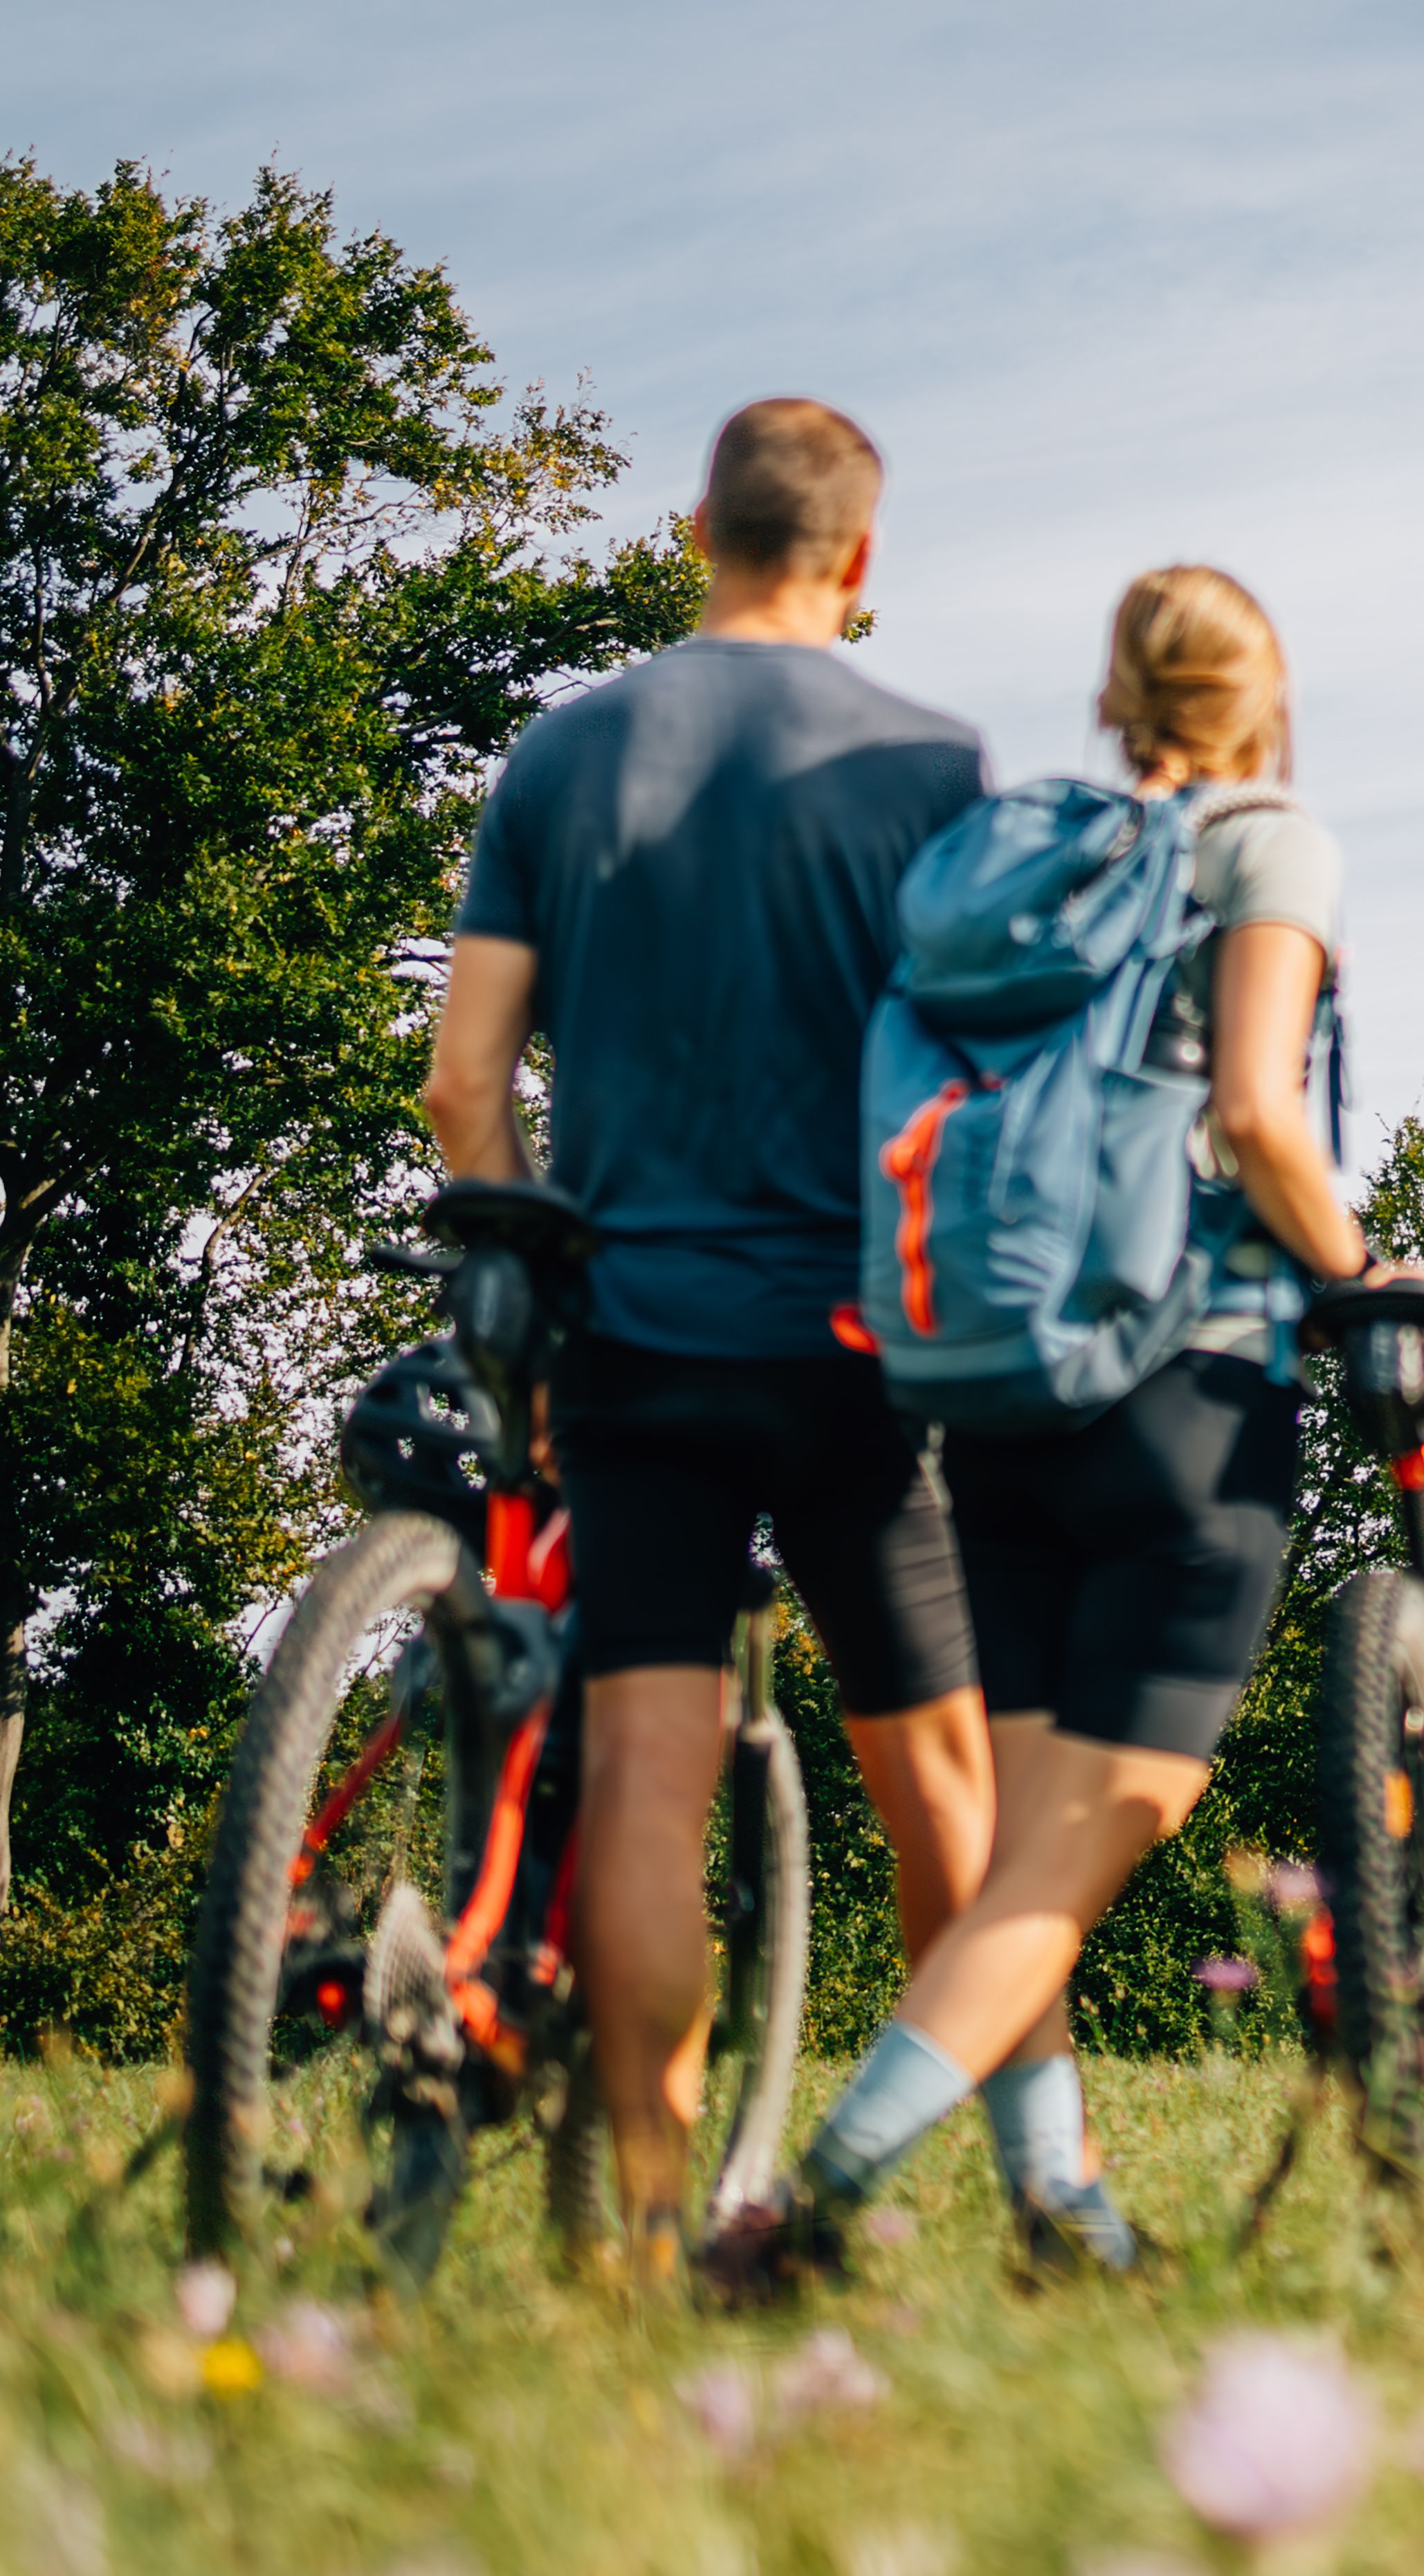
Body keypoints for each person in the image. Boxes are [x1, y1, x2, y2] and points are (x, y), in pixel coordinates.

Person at [424, 399, 1043, 2285]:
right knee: (945, 1784)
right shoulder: (938, 769)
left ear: (700, 525)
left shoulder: (566, 754)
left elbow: (463, 1083)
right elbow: (996, 1083)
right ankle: (1035, 2191)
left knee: (644, 1785)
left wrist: (533, 1273)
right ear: (859, 557)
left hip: (638, 1339)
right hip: (862, 1345)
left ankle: (642, 2223)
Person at [709, 563, 1372, 2288]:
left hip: (984, 1385)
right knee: (1076, 1856)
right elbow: (1256, 1111)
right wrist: (1372, 1274)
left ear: (1114, 693)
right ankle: (809, 2202)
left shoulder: (1004, 858)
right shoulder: (1262, 844)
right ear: (1259, 699)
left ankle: (1060, 2212)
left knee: (1020, 1864)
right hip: (1185, 1387)